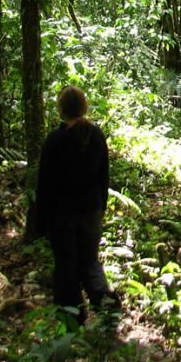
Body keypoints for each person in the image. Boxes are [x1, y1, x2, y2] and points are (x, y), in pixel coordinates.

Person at [36, 85, 119, 323]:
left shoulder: (55, 141)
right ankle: (106, 307)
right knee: (90, 261)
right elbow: (104, 177)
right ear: (84, 107)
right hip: (91, 211)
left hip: (62, 215)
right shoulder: (96, 136)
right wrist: (100, 207)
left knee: (66, 265)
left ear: (61, 110)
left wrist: (41, 222)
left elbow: (45, 185)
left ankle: (72, 319)